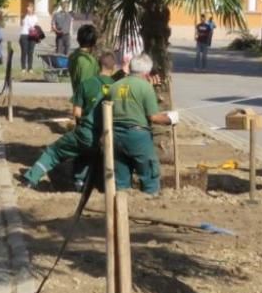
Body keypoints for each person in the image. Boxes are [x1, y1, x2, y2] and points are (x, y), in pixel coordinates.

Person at [22, 51, 118, 189]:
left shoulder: (87, 84)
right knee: (85, 155)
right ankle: (79, 183)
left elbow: (77, 113)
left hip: (86, 132)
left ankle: (30, 179)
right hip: (105, 138)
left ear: (98, 66)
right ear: (113, 68)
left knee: (53, 152)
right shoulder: (118, 87)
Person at [109, 54, 179, 194]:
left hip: (115, 135)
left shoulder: (114, 86)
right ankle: (149, 204)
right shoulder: (146, 88)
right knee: (149, 175)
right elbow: (154, 117)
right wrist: (170, 118)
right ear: (147, 72)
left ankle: (122, 210)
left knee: (121, 179)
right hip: (137, 136)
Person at [68, 24, 99, 95]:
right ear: (94, 41)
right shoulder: (87, 60)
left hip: (77, 96)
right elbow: (85, 86)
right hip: (87, 101)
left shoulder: (73, 56)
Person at [18, 4, 39, 73]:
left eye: (30, 8)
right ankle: (23, 67)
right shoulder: (24, 16)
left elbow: (35, 25)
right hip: (24, 35)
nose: (29, 9)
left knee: (31, 52)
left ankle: (30, 68)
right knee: (24, 52)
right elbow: (22, 24)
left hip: (32, 35)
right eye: (28, 8)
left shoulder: (35, 17)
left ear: (33, 9)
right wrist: (25, 17)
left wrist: (33, 28)